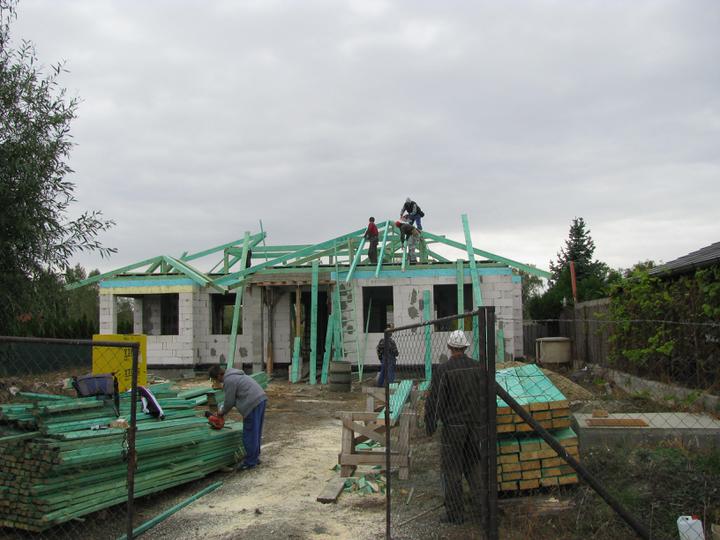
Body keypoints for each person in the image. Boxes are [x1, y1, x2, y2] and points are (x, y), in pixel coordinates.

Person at [425, 330, 487, 524]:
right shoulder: (478, 367)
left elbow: (436, 401)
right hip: (475, 426)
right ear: (466, 347)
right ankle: (483, 510)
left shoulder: (444, 370)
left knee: (452, 470)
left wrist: (430, 424)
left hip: (453, 428)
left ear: (449, 347)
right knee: (474, 466)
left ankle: (455, 513)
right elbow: (486, 396)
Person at [209, 365, 268, 470]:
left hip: (252, 402)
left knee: (249, 434)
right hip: (260, 399)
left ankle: (250, 462)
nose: (217, 382)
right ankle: (254, 458)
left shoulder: (229, 380)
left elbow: (229, 401)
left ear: (218, 376)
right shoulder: (234, 375)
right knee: (256, 431)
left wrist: (221, 413)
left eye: (215, 379)